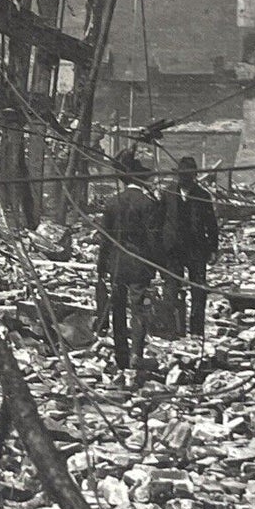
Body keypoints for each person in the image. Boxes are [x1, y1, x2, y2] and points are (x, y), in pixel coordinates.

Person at [96, 150, 165, 371]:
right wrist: (157, 265)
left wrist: (101, 265)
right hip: (139, 263)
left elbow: (104, 239)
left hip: (117, 264)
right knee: (139, 308)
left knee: (117, 308)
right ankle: (136, 352)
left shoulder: (112, 202)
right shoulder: (148, 203)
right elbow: (153, 238)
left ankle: (121, 355)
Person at [162, 155, 218, 338]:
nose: (185, 179)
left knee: (198, 291)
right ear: (178, 176)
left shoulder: (202, 195)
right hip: (173, 250)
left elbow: (211, 224)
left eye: (189, 176)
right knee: (171, 290)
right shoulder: (168, 193)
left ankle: (196, 331)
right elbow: (159, 220)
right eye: (182, 176)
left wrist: (213, 248)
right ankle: (173, 329)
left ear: (194, 176)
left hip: (196, 249)